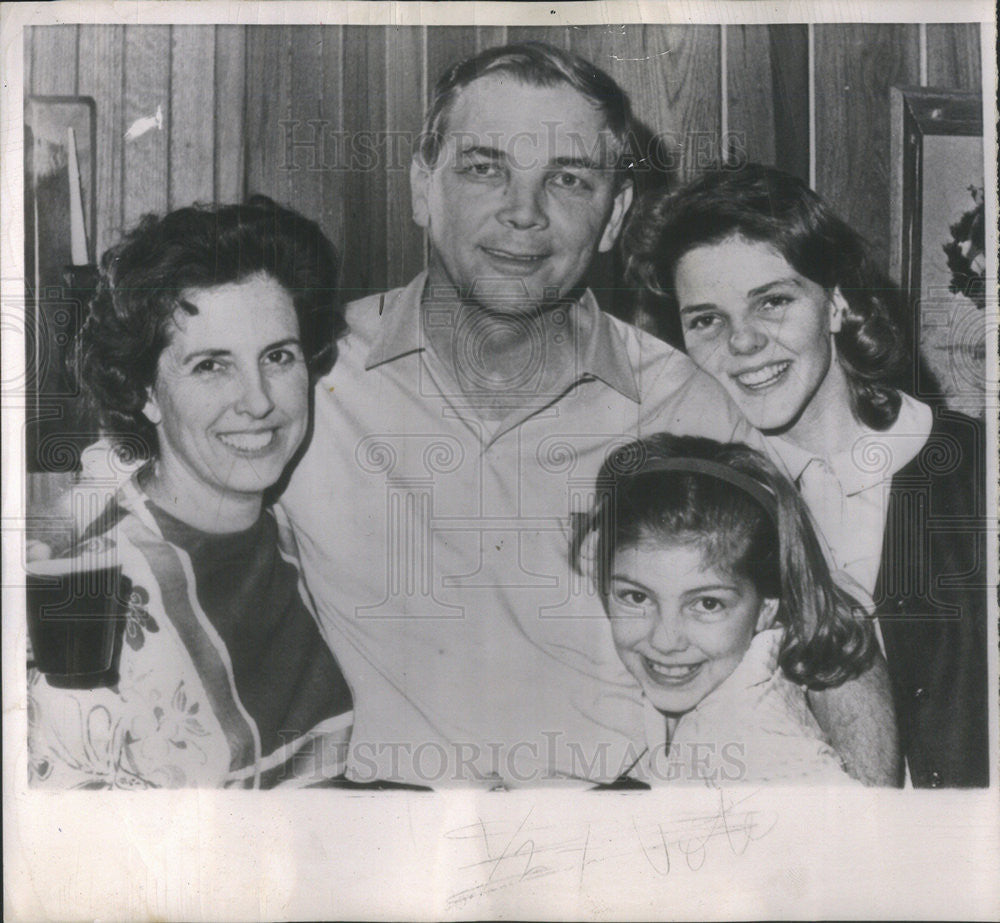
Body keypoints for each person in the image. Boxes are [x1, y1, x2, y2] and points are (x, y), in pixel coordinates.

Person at [280, 43, 896, 786]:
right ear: (422, 186)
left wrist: (874, 839)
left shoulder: (688, 404)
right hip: (389, 844)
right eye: (484, 167)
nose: (522, 212)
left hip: (618, 844)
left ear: (614, 217)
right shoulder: (304, 380)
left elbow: (829, 632)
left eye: (568, 180)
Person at [624, 163, 989, 787]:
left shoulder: (977, 470)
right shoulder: (688, 503)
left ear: (838, 302)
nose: (743, 343)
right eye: (707, 319)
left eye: (773, 302)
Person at [27, 198, 354, 789]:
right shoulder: (92, 592)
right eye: (211, 366)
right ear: (145, 392)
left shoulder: (295, 529)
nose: (258, 400)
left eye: (278, 356)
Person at [574, 434, 874, 785]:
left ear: (767, 607)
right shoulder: (724, 681)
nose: (666, 640)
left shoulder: (765, 751)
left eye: (707, 604)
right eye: (637, 598)